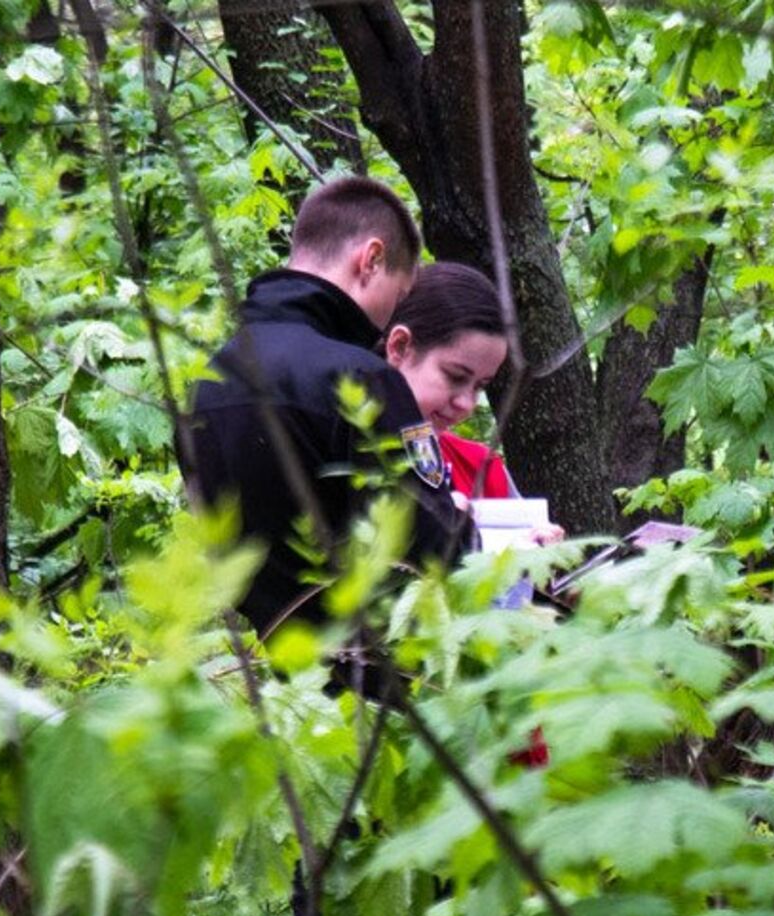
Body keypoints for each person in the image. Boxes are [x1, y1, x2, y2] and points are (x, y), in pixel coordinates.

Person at [182, 177, 469, 633]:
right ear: (371, 259)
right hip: (386, 677)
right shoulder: (359, 378)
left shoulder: (210, 383)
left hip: (281, 677)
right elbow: (436, 551)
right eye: (397, 297)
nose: (389, 319)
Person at [380, 262, 564, 543]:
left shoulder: (481, 467)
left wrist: (545, 573)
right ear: (400, 346)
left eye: (480, 386)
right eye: (455, 376)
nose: (467, 403)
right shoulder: (335, 447)